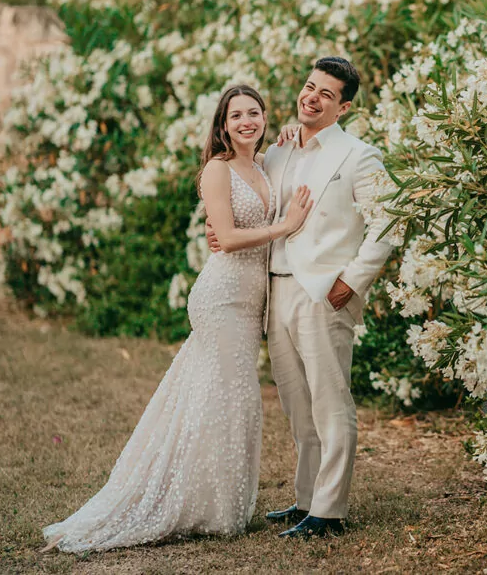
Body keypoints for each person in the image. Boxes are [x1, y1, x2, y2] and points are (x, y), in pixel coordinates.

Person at [42, 85, 313, 553]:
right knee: (231, 396)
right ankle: (199, 505)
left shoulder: (266, 164)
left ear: (265, 118)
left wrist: (292, 131)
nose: (246, 121)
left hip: (252, 303)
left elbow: (291, 152)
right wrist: (283, 227)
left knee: (224, 398)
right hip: (222, 295)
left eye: (254, 113)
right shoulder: (217, 170)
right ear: (223, 125)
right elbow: (225, 238)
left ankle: (216, 502)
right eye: (236, 116)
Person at [207, 57, 394, 539]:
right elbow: (252, 202)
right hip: (273, 289)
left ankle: (330, 512)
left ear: (344, 106)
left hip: (323, 294)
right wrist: (216, 229)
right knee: (296, 404)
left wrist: (351, 283)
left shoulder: (359, 155)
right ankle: (307, 499)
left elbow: (389, 223)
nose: (312, 97)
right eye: (309, 87)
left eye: (326, 94)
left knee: (330, 402)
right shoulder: (278, 151)